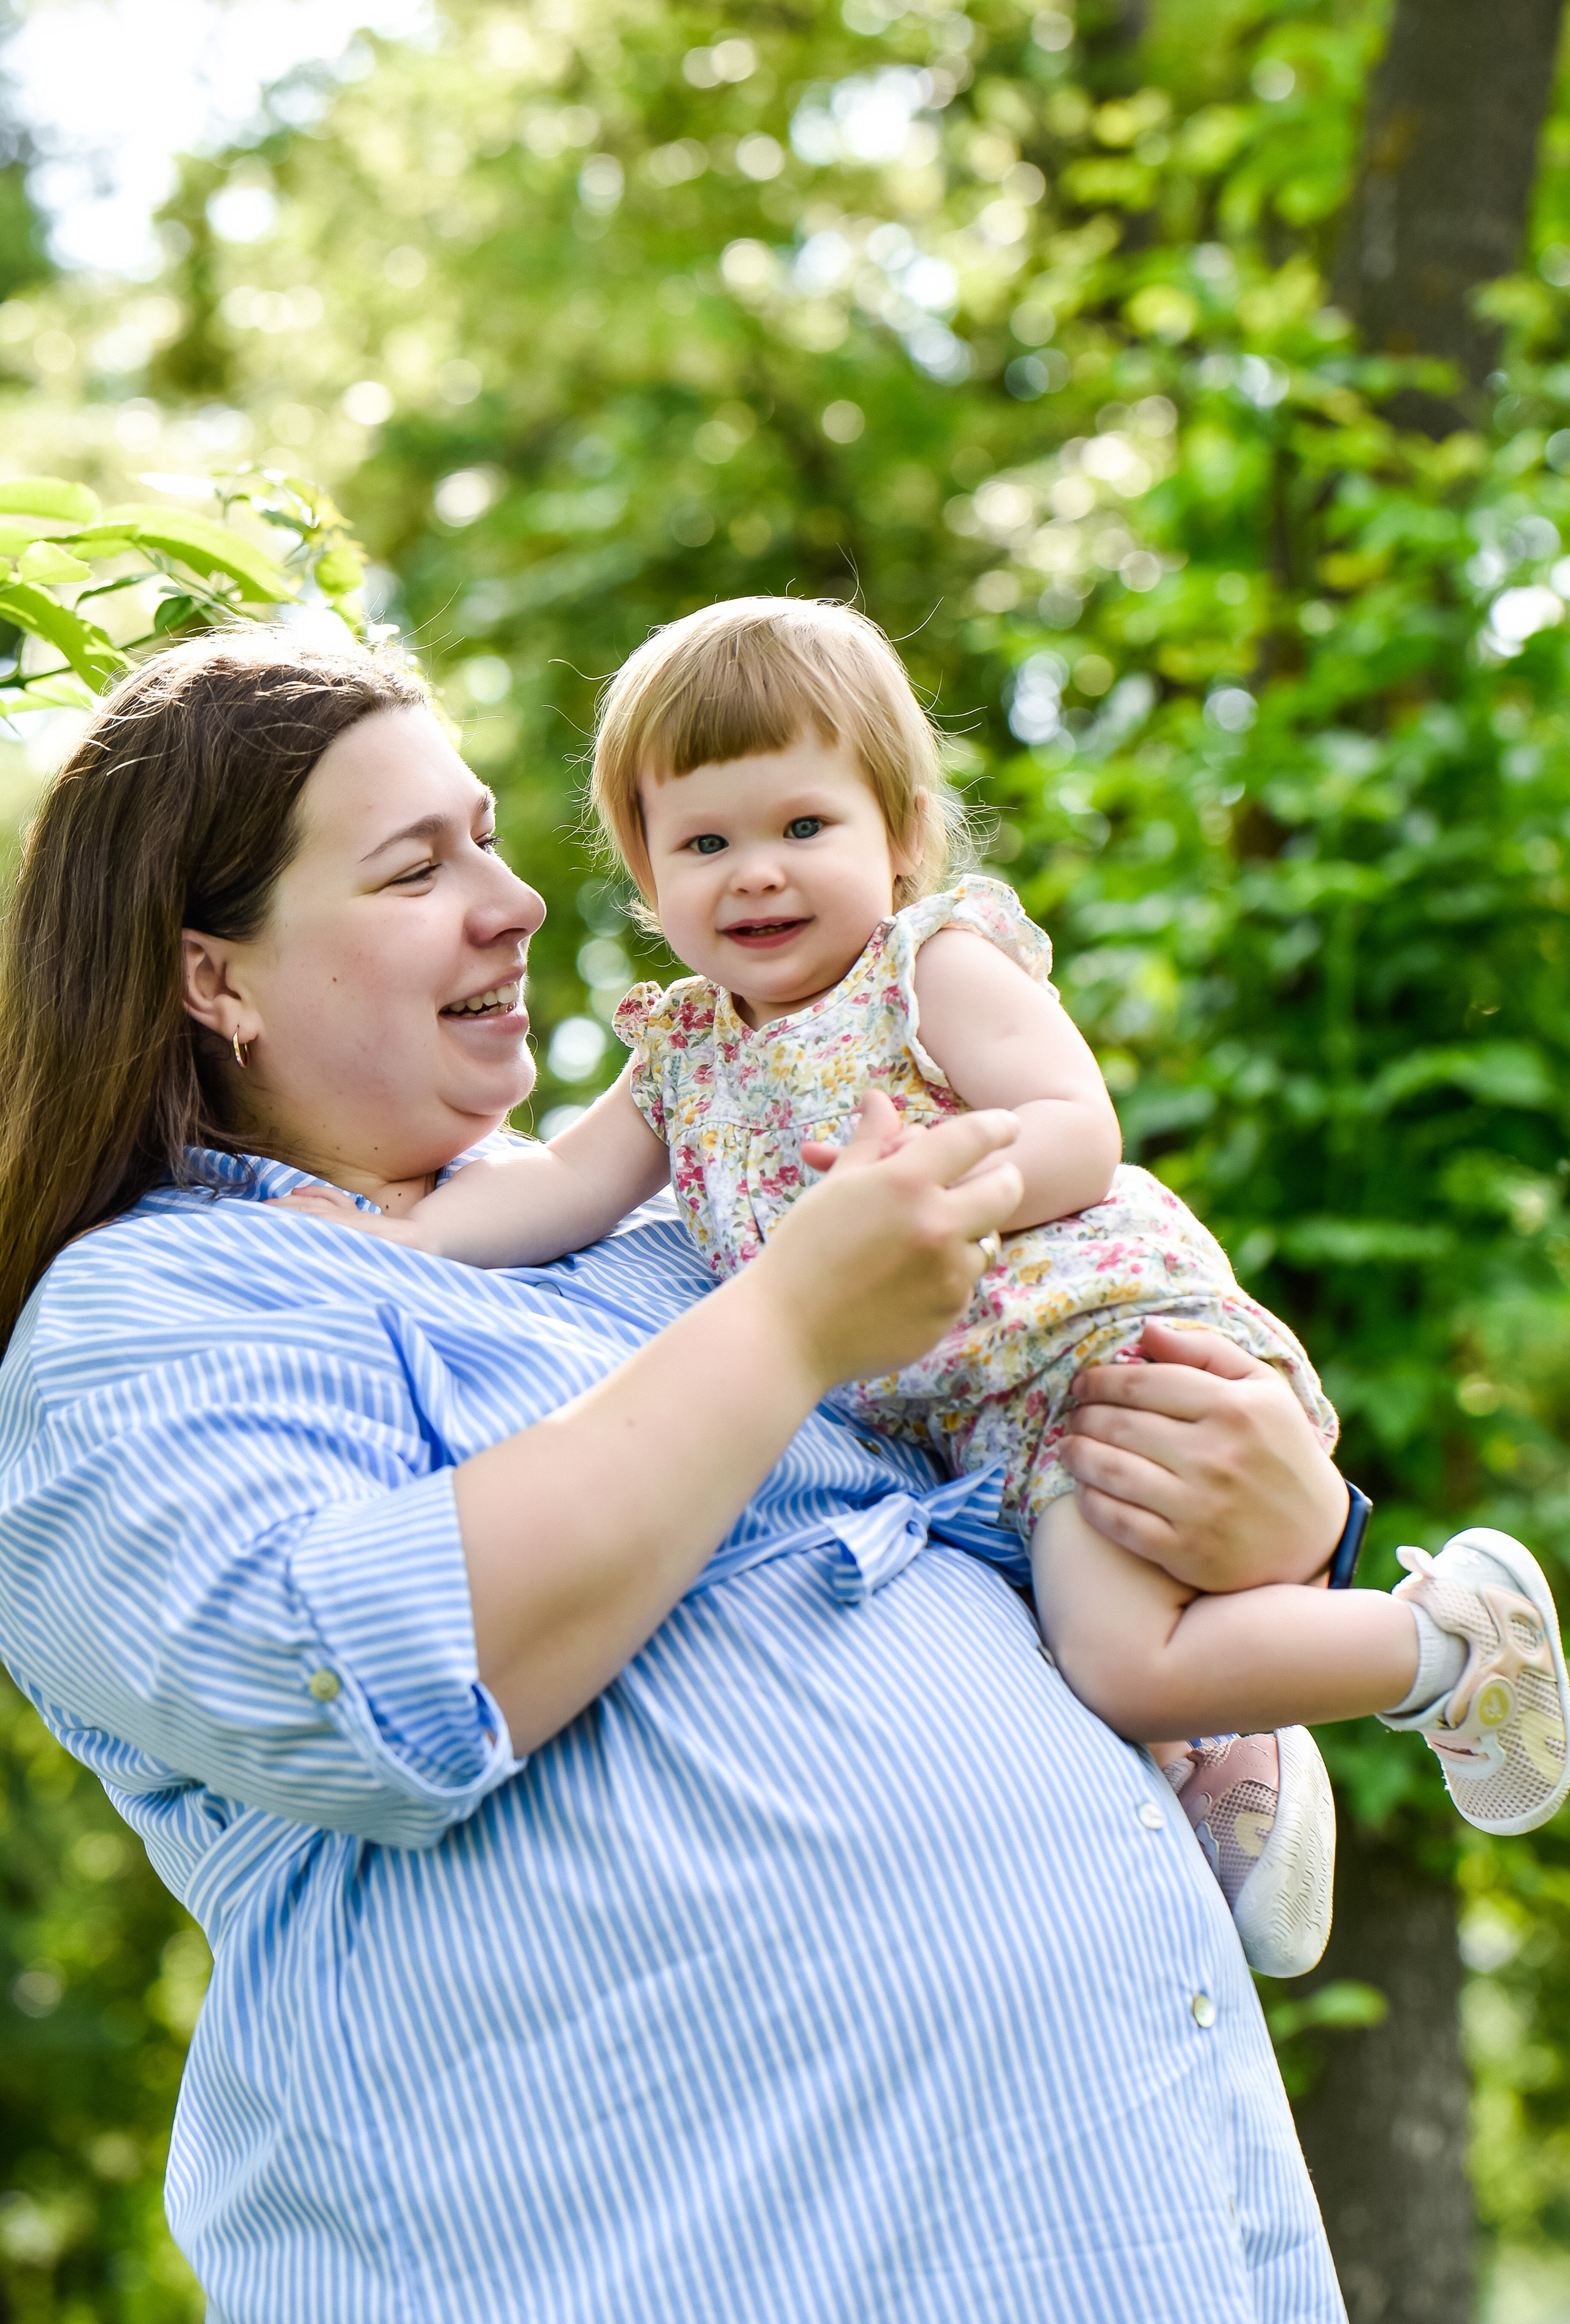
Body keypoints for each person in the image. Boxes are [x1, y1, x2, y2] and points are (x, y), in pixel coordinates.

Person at [0, 630, 1458, 2321]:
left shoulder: (665, 1231)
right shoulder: (140, 1316)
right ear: (214, 979)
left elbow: (1005, 1485)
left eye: (489, 832)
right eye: (420, 867)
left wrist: (1290, 1527)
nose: (520, 899)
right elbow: (356, 1681)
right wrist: (787, 1323)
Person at [291, 597, 1570, 1983]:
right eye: (703, 844)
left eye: (801, 829)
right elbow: (559, 1193)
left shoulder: (926, 966)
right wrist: (388, 1244)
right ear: (646, 881)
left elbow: (1078, 1128)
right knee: (1096, 1648)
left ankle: (1441, 1645)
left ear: (896, 835)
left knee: (1118, 1662)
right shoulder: (680, 1058)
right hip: (975, 1427)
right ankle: (1232, 1751)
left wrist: (930, 1185)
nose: (756, 876)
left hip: (1091, 1348)